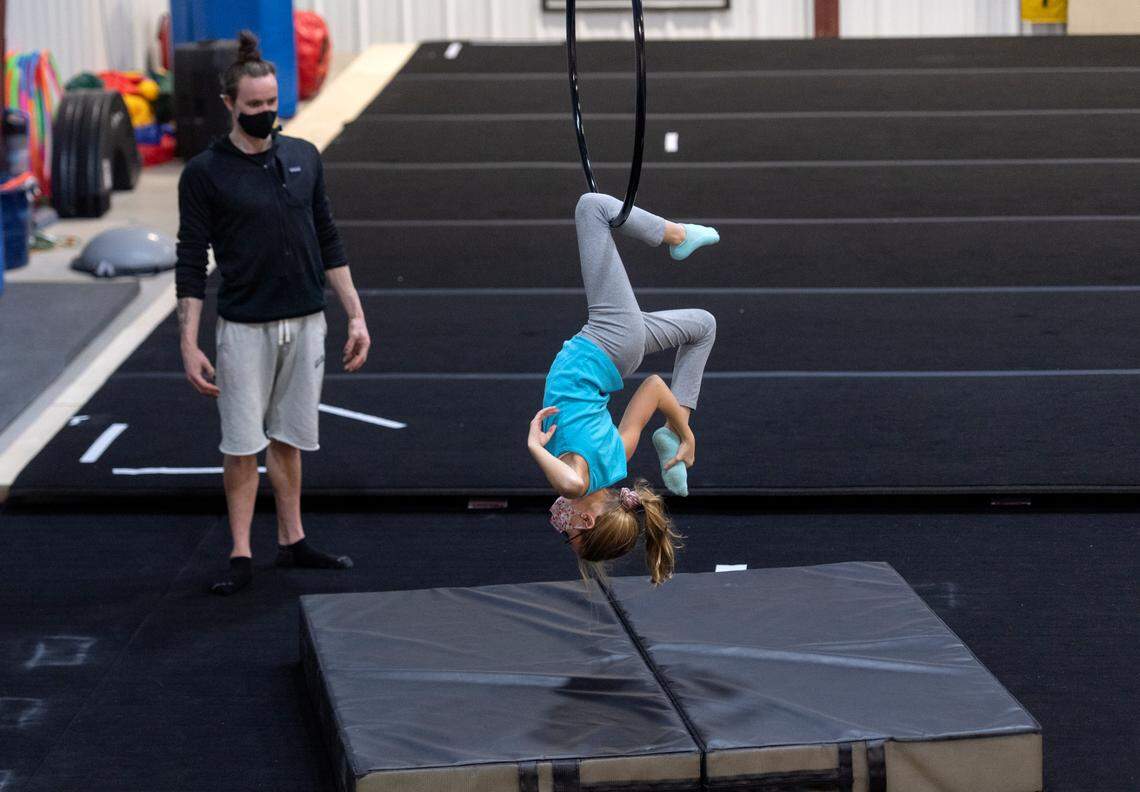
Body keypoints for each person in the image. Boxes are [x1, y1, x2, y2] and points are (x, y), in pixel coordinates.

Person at [175, 31, 371, 596]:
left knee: (290, 437)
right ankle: (240, 553)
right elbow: (191, 261)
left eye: (272, 103)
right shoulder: (205, 173)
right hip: (244, 327)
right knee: (241, 444)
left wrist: (355, 315)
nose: (266, 113)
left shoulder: (304, 158)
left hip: (306, 322)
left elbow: (328, 240)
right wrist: (189, 343)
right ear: (230, 105)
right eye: (254, 105)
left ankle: (292, 540)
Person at [527, 192, 719, 585]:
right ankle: (677, 235)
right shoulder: (574, 477)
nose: (561, 527)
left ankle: (671, 437)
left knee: (703, 326)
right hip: (608, 340)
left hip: (618, 352)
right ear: (587, 520)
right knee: (591, 208)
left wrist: (684, 430)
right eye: (570, 536)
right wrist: (532, 445)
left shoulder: (618, 460)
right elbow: (571, 485)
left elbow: (651, 387)